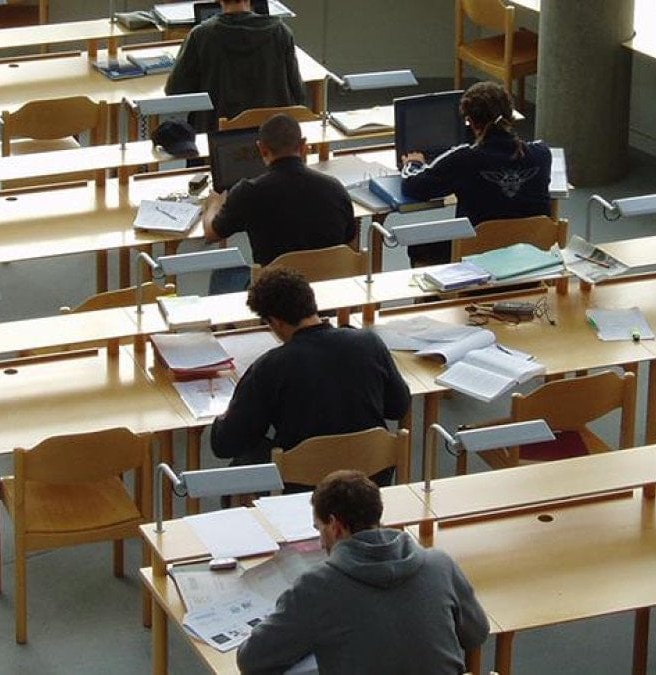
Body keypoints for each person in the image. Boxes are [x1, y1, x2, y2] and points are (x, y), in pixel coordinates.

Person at [236, 470, 489, 675]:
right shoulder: (440, 564)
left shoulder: (316, 588)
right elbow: (476, 633)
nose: (321, 542)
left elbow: (252, 660)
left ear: (335, 526)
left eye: (319, 529)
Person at [209, 269, 410, 481]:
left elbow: (225, 444)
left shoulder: (270, 366)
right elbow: (398, 406)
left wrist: (225, 416)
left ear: (275, 322)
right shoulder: (369, 343)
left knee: (245, 458)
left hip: (304, 485)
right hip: (371, 476)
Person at [400, 81, 552, 268]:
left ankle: (436, 289)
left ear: (470, 122)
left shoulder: (464, 159)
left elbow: (413, 186)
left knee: (419, 247)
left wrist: (413, 163)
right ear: (510, 114)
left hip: (477, 257)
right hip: (530, 257)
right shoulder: (542, 154)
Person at [203, 114, 357, 293]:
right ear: (303, 145)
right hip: (327, 289)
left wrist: (213, 204)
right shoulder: (334, 188)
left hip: (273, 295)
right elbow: (350, 247)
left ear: (261, 149)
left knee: (222, 275)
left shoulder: (248, 192)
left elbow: (211, 234)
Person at [164, 0, 305, 133]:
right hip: (273, 135)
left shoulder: (200, 35)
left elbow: (175, 90)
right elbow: (298, 93)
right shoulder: (281, 32)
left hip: (218, 137)